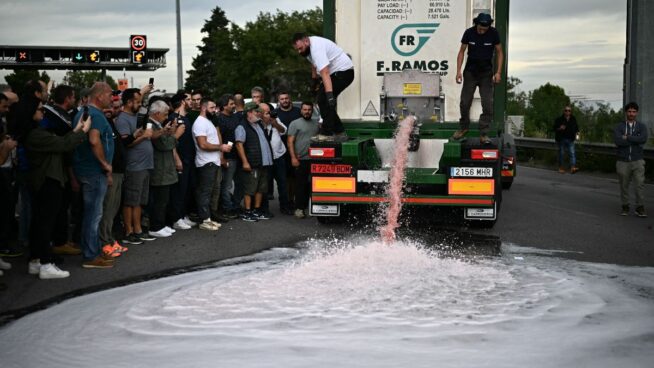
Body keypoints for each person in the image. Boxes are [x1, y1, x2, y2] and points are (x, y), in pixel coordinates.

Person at [24, 97, 91, 278]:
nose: (43, 112)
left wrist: (76, 130)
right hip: (47, 181)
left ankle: (36, 260)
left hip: (47, 180)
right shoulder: (35, 134)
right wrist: (82, 131)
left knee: (39, 223)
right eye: (39, 109)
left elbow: (61, 142)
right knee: (45, 224)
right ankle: (46, 264)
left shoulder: (37, 132)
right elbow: (63, 144)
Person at [72, 82, 115, 269]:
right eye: (110, 95)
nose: (112, 99)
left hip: (88, 170)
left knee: (90, 214)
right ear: (100, 96)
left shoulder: (86, 112)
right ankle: (91, 256)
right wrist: (105, 164)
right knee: (94, 215)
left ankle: (91, 250)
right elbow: (93, 140)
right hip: (94, 171)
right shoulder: (95, 114)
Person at [452, 13, 504, 145]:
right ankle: (464, 127)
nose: (482, 31)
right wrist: (458, 71)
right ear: (477, 24)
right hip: (470, 72)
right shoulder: (469, 33)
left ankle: (483, 133)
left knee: (487, 104)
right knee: (464, 102)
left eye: (484, 29)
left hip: (486, 74)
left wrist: (498, 72)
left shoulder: (494, 34)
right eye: (480, 28)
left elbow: (499, 52)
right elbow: (461, 51)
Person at [292, 32, 354, 140]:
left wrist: (329, 95)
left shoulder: (317, 48)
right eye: (297, 49)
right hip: (335, 74)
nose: (299, 51)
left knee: (324, 99)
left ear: (306, 41)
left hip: (344, 72)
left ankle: (327, 133)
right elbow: (314, 65)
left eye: (300, 48)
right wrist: (314, 81)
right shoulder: (308, 49)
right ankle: (339, 131)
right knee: (322, 100)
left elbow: (325, 72)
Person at [115, 88, 155, 245]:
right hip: (134, 166)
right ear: (129, 102)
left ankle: (138, 230)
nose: (140, 104)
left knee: (139, 201)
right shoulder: (122, 119)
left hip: (145, 165)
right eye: (137, 101)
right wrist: (143, 136)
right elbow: (125, 144)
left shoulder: (136, 117)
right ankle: (128, 231)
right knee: (130, 201)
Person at [192, 97, 231, 230]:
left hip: (213, 161)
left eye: (215, 108)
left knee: (214, 190)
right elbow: (202, 144)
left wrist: (220, 153)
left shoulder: (208, 121)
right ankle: (204, 220)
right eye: (212, 108)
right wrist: (221, 148)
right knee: (205, 191)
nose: (214, 110)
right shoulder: (200, 123)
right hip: (206, 163)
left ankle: (209, 217)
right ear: (203, 108)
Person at [147, 100, 182, 238]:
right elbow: (164, 145)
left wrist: (170, 133)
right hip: (159, 167)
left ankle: (161, 224)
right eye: (165, 114)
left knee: (164, 199)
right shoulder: (152, 126)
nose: (166, 117)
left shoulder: (158, 125)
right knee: (159, 200)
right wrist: (176, 135)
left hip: (164, 167)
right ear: (156, 113)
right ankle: (156, 226)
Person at [234, 102, 273, 222]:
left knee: (261, 189)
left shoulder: (258, 124)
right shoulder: (242, 126)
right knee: (249, 189)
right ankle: (247, 212)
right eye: (257, 112)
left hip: (262, 163)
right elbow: (239, 145)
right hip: (252, 163)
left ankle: (256, 210)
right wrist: (245, 162)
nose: (259, 114)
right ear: (249, 112)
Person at [614, 102, 648, 217]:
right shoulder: (619, 126)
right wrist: (635, 139)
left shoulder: (641, 126)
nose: (631, 114)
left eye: (633, 112)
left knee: (639, 184)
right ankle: (625, 206)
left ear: (637, 113)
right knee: (624, 185)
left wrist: (627, 137)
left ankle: (640, 207)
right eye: (629, 111)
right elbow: (618, 141)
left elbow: (643, 139)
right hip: (622, 161)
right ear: (626, 112)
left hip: (638, 160)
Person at [287, 102, 320, 219]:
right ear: (301, 111)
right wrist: (293, 158)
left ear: (312, 111)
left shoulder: (316, 124)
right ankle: (299, 209)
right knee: (300, 185)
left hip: (315, 159)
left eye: (309, 110)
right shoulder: (295, 124)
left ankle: (308, 207)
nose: (307, 112)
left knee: (311, 185)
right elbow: (290, 142)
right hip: (301, 159)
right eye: (305, 109)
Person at [260, 102, 291, 215]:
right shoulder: (258, 124)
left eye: (269, 112)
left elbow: (284, 130)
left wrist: (274, 123)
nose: (269, 114)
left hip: (279, 156)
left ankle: (285, 206)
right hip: (265, 159)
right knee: (264, 185)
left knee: (282, 183)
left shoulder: (275, 120)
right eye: (267, 113)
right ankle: (264, 209)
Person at [553, 105, 579, 174]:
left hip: (571, 139)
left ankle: (573, 168)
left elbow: (577, 128)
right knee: (561, 154)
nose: (567, 112)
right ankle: (560, 168)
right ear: (564, 111)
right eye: (566, 110)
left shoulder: (573, 119)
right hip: (562, 139)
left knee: (572, 153)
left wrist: (577, 137)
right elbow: (554, 128)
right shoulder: (559, 119)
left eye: (569, 110)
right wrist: (560, 128)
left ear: (571, 112)